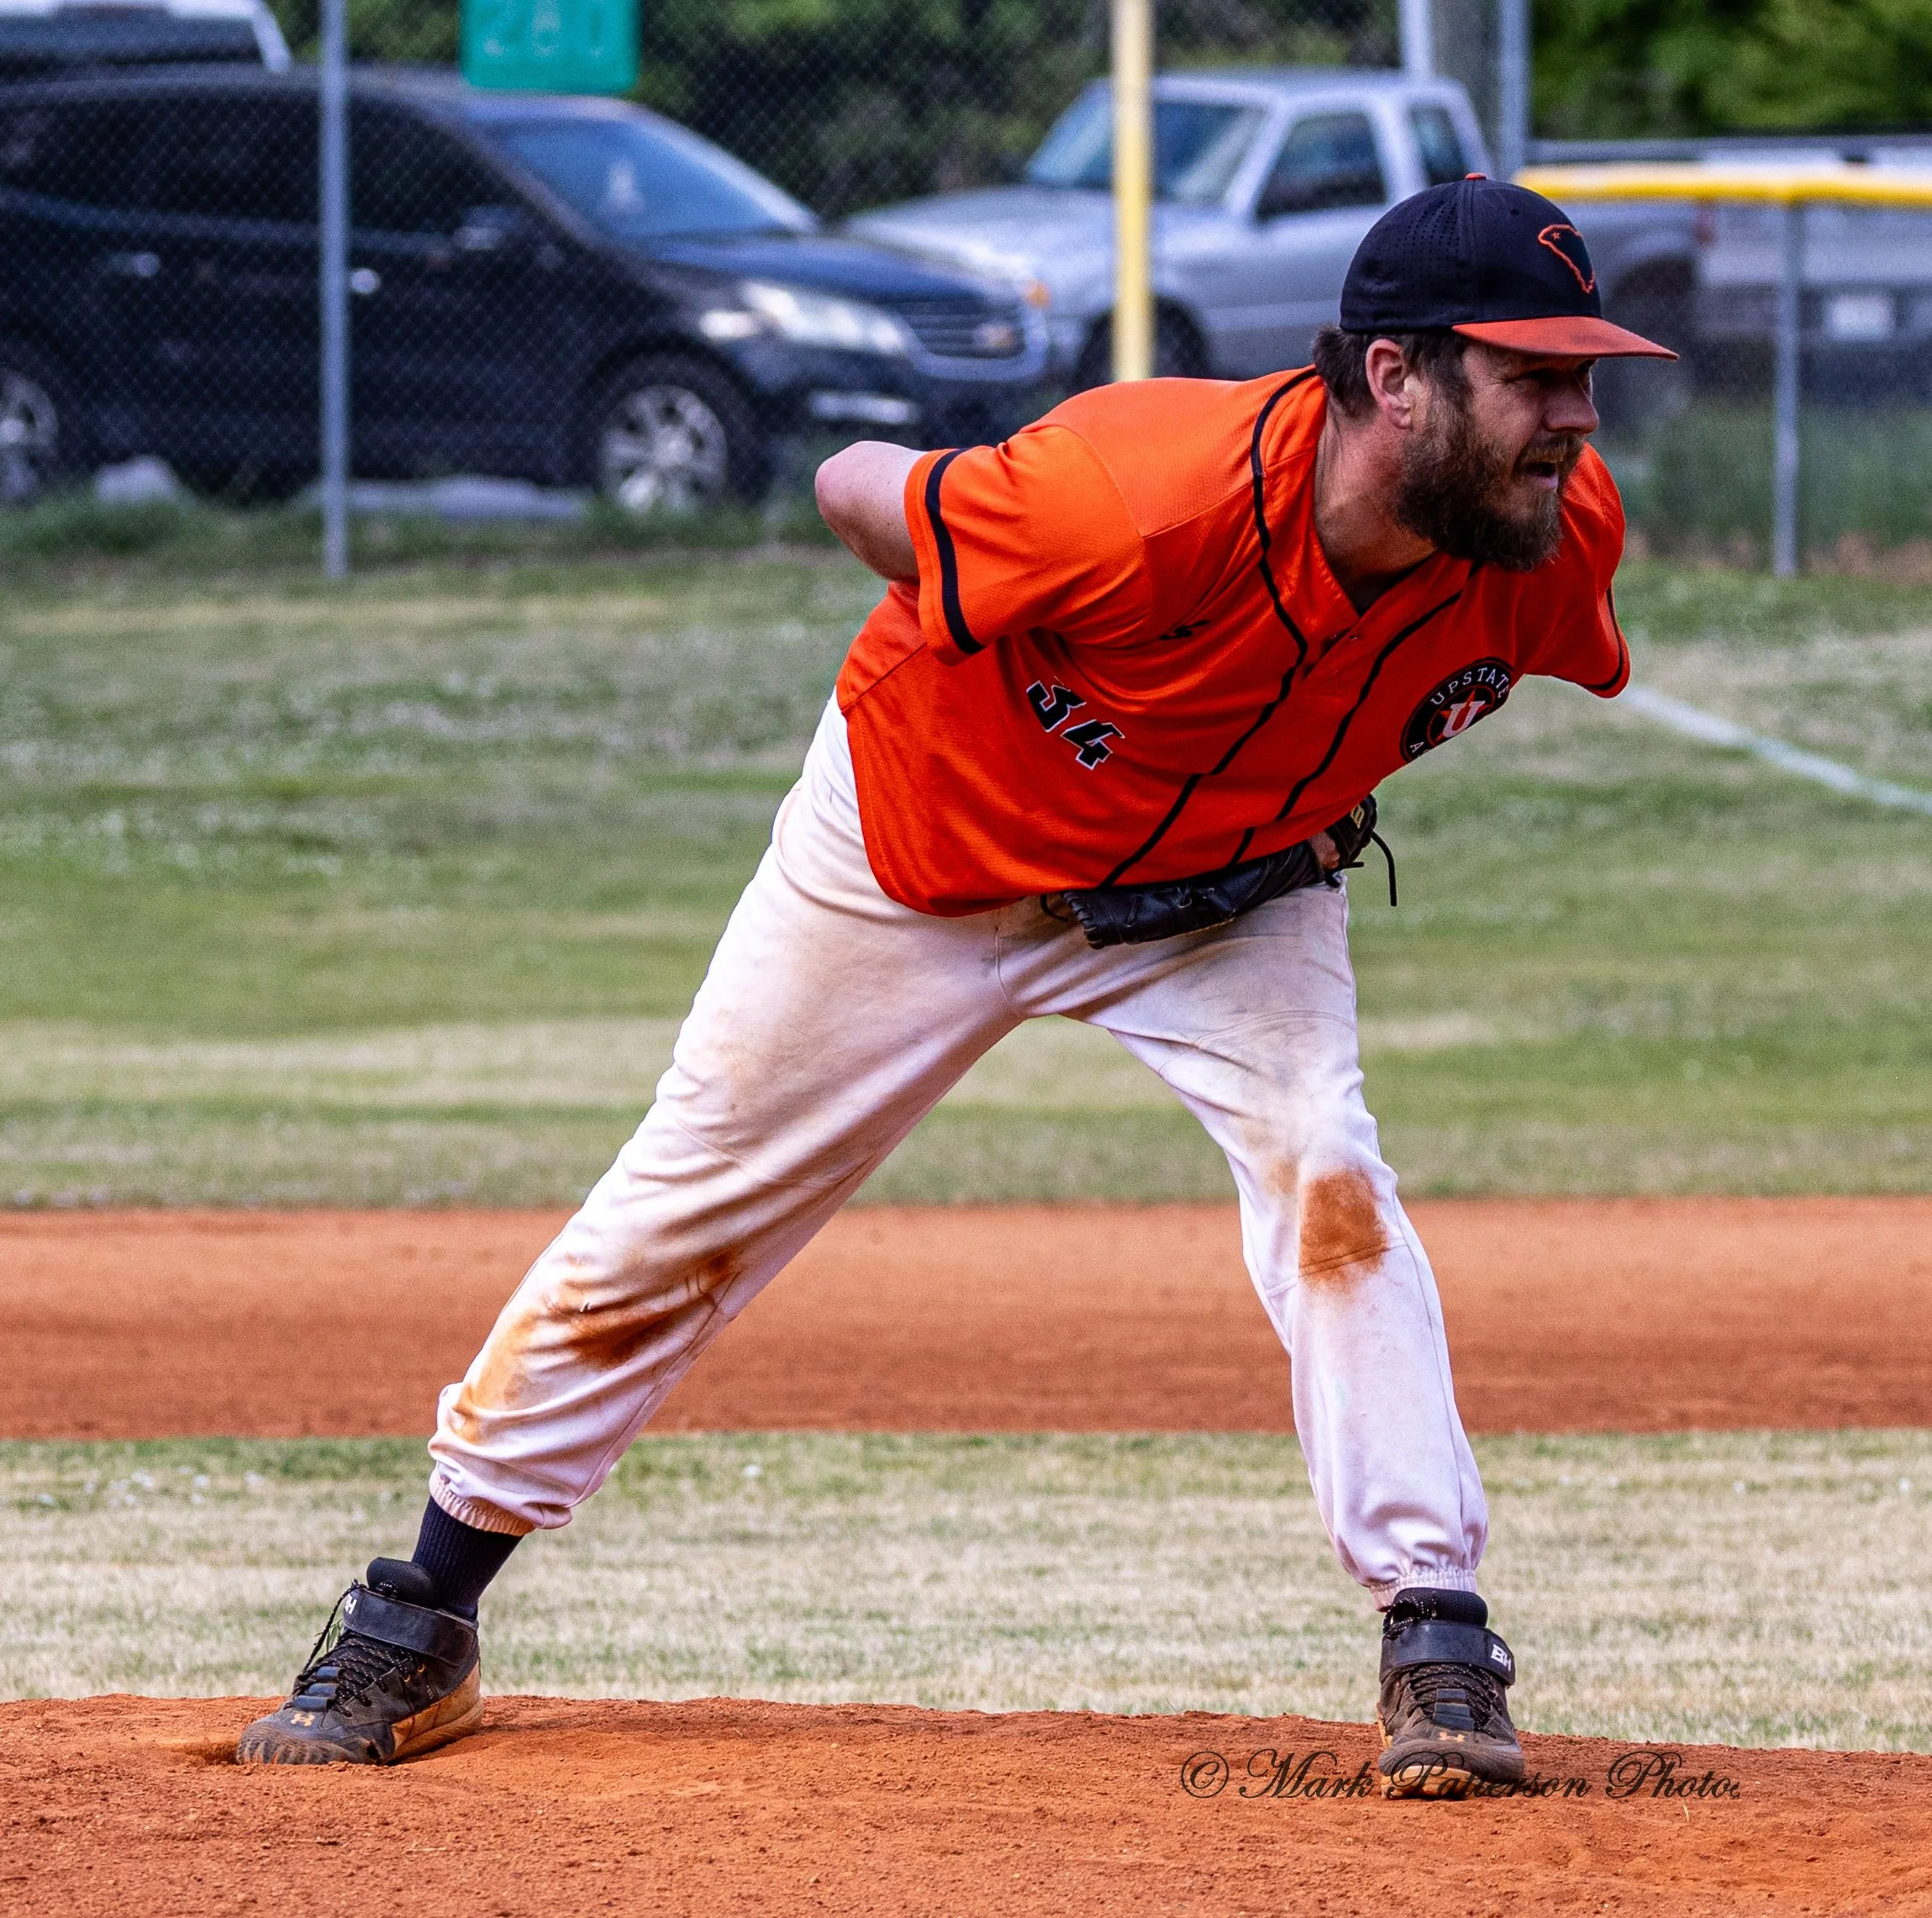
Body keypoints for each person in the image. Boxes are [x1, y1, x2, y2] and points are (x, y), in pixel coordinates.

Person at [236, 177, 1671, 1797]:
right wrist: (935, 510)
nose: (1576, 416)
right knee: (690, 1198)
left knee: (1325, 1169)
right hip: (923, 849)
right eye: (1535, 374)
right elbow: (862, 486)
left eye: (1584, 374)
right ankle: (422, 1612)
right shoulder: (1128, 497)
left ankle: (1437, 1631)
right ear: (1395, 375)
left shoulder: (1547, 545)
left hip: (1228, 896)